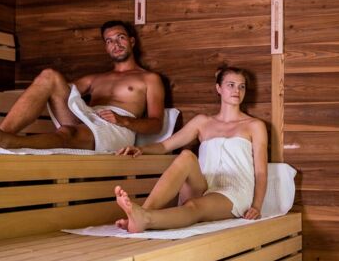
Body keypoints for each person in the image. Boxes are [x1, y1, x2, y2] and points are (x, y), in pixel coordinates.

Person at [113, 66, 267, 231]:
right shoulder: (202, 122)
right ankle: (141, 213)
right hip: (204, 184)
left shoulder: (255, 126)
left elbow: (261, 172)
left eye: (241, 86)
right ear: (218, 88)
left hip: (234, 192)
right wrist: (141, 149)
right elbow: (165, 145)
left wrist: (256, 206)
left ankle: (146, 218)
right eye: (231, 85)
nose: (237, 90)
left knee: (194, 205)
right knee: (186, 155)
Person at [0, 21, 165, 151]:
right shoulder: (95, 79)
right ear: (106, 47)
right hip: (89, 117)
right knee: (49, 76)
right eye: (109, 40)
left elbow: (156, 123)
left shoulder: (149, 78)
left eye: (120, 37)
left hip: (117, 128)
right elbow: (59, 91)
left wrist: (124, 121)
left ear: (131, 41)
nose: (116, 44)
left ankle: (6, 141)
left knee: (68, 131)